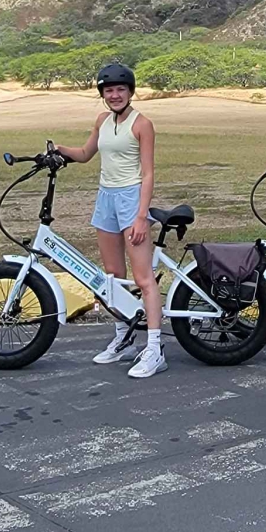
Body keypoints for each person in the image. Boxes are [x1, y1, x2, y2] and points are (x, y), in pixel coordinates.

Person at [54, 63, 166, 378]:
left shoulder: (142, 124)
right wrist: (59, 149)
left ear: (130, 91)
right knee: (113, 277)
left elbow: (148, 173)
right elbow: (86, 153)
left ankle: (155, 349)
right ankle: (125, 339)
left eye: (120, 89)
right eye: (108, 90)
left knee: (143, 278)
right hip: (106, 198)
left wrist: (141, 216)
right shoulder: (103, 120)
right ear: (102, 94)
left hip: (131, 199)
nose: (114, 95)